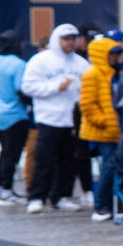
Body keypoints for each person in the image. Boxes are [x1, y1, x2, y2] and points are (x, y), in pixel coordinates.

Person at [20, 24, 91, 212]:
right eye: (66, 38)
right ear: (57, 39)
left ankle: (62, 196)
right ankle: (36, 197)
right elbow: (28, 87)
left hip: (73, 120)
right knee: (43, 159)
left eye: (73, 38)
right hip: (49, 118)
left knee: (68, 161)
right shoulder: (40, 61)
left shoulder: (81, 63)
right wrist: (55, 87)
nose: (70, 42)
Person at [80, 30, 123, 221]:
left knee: (117, 167)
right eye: (112, 53)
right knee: (108, 168)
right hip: (103, 132)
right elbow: (87, 104)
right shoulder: (93, 73)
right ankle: (102, 207)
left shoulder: (115, 73)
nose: (116, 57)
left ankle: (118, 205)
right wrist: (104, 121)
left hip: (117, 130)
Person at [0, 32, 31, 206]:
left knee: (4, 152)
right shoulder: (18, 64)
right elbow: (21, 90)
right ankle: (6, 190)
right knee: (12, 155)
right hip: (15, 114)